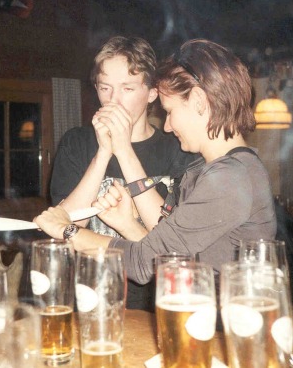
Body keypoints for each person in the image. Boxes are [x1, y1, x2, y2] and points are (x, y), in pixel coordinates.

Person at [35, 38, 277, 284]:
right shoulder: (225, 170)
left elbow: (144, 261)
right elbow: (171, 256)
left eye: (169, 112)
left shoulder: (230, 177)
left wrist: (67, 230)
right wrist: (127, 224)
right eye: (105, 87)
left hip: (226, 309)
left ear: (198, 101)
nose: (167, 125)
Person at [50, 36, 197, 310]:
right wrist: (103, 153)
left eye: (127, 88)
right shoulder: (76, 142)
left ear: (152, 93)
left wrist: (123, 148)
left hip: (152, 304)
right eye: (105, 88)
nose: (113, 100)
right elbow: (61, 228)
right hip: (86, 295)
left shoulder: (178, 149)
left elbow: (172, 242)